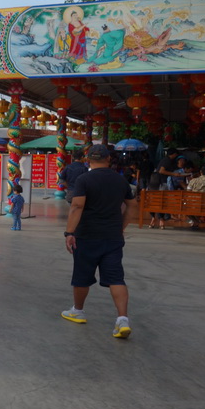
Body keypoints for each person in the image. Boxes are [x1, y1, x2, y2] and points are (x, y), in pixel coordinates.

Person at [61, 144, 137, 339]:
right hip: (112, 236)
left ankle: (78, 311)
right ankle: (122, 319)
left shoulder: (84, 179)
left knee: (82, 275)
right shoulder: (120, 181)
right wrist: (122, 226)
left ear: (88, 159)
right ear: (108, 159)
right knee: (116, 278)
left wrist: (69, 232)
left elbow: (77, 206)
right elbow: (132, 206)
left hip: (87, 236)